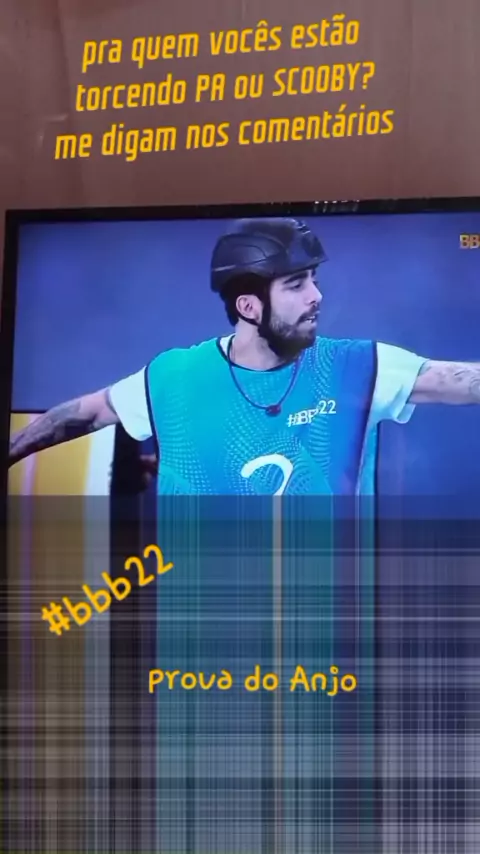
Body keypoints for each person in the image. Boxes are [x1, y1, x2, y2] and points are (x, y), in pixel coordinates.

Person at [8, 217, 480, 495]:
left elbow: (456, 380)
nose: (316, 296)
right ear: (249, 307)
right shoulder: (173, 377)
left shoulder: (358, 366)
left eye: (314, 280)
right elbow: (88, 413)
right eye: (296, 285)